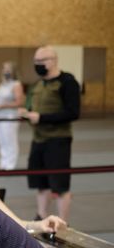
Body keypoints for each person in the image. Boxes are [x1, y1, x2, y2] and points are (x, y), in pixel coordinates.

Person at [19, 46, 80, 222]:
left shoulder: (67, 82)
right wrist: (27, 113)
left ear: (53, 61)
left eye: (41, 61)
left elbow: (73, 112)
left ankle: (63, 223)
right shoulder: (38, 84)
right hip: (38, 139)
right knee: (41, 183)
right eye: (35, 62)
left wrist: (42, 117)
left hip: (58, 140)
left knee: (60, 185)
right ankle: (42, 217)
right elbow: (34, 110)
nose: (37, 65)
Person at [0, 62, 25, 170]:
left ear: (13, 71)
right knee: (2, 140)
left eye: (8, 69)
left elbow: (19, 102)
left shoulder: (16, 84)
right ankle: (4, 161)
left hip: (9, 115)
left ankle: (11, 163)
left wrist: (4, 105)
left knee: (10, 139)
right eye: (4, 69)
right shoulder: (2, 84)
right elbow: (0, 98)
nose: (6, 71)